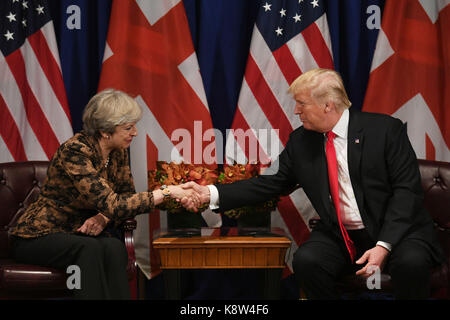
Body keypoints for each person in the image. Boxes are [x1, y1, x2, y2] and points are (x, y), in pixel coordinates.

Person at [185, 68, 445, 299]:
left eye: (301, 103)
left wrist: (383, 245)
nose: (296, 110)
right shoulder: (301, 141)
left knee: (412, 264)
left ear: (328, 105)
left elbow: (406, 192)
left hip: (397, 232)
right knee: (308, 262)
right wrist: (209, 193)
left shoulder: (386, 130)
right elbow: (269, 183)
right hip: (342, 236)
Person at [9, 89, 199, 299]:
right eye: (128, 127)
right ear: (105, 131)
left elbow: (126, 197)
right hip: (39, 236)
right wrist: (166, 192)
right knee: (88, 249)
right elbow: (115, 203)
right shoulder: (75, 151)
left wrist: (103, 217)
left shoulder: (117, 151)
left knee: (113, 247)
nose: (135, 132)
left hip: (78, 233)